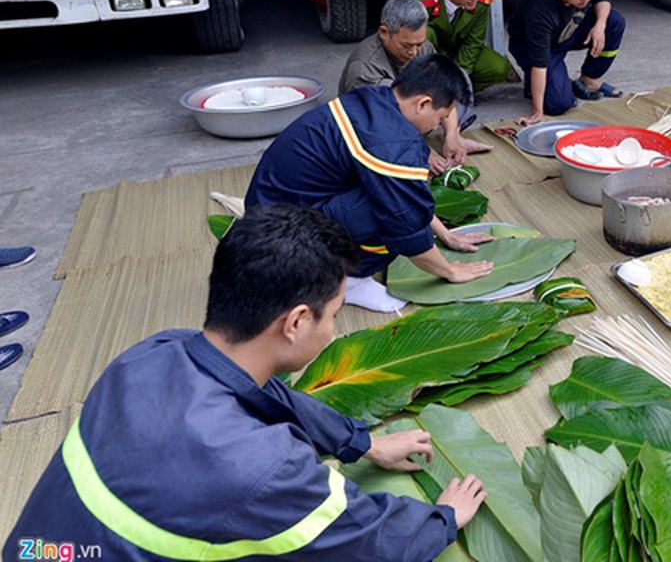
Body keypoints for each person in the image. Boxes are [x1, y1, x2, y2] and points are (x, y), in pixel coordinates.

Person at [5, 205, 487, 559]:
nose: (334, 330)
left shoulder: (152, 353)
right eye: (334, 315)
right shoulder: (266, 469)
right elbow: (368, 541)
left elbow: (263, 393)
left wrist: (362, 444)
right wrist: (444, 517)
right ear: (296, 321)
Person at [247, 54, 494, 312]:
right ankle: (346, 279)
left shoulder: (375, 102)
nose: (437, 126)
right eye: (441, 117)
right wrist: (449, 271)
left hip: (270, 219)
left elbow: (401, 191)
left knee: (396, 196)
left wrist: (445, 234)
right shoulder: (393, 143)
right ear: (423, 103)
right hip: (284, 245)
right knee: (392, 214)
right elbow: (405, 220)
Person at [339, 0, 491, 173]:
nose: (414, 52)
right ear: (384, 33)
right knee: (390, 94)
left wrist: (451, 136)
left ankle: (454, 137)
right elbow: (379, 123)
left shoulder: (422, 47)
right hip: (378, 127)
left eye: (419, 44)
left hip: (416, 113)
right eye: (406, 46)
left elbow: (442, 89)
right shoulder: (363, 68)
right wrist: (423, 151)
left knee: (457, 78)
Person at [508, 0, 626, 125]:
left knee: (614, 22)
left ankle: (589, 79)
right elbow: (539, 63)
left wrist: (600, 25)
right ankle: (534, 86)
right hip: (538, 48)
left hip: (568, 30)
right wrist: (537, 112)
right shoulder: (540, 7)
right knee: (558, 104)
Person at [409, 0, 515, 92]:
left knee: (498, 67)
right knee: (425, 33)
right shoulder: (420, 3)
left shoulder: (482, 1)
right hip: (429, 60)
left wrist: (460, 75)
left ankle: (456, 93)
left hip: (456, 54)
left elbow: (474, 42)